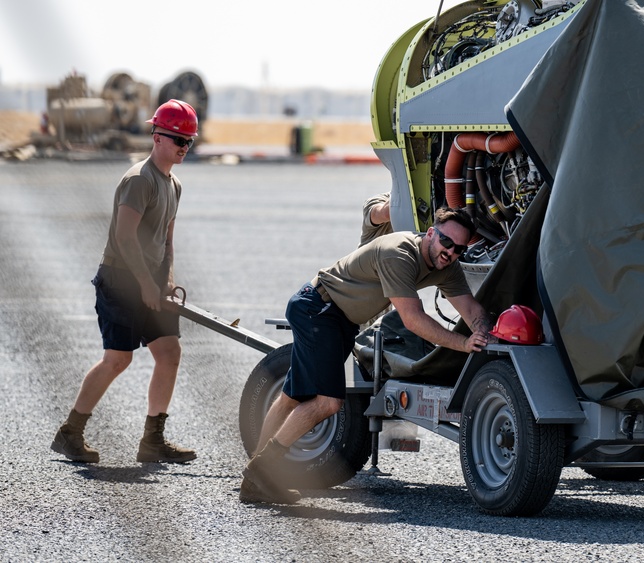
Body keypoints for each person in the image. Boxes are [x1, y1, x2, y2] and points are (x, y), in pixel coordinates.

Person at [240, 207, 490, 504]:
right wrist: (464, 344)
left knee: (292, 397)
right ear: (432, 233)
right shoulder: (399, 253)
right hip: (318, 309)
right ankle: (262, 472)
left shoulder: (446, 266)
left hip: (337, 318)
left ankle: (256, 480)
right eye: (447, 242)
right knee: (328, 403)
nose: (451, 252)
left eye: (460, 249)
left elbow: (472, 310)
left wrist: (485, 332)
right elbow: (413, 319)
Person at [51, 99, 200, 465]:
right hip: (120, 278)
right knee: (118, 359)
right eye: (177, 139)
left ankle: (153, 440)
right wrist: (145, 284)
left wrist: (164, 279)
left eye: (189, 142)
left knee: (169, 352)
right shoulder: (139, 180)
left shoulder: (174, 185)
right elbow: (124, 237)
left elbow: (166, 239)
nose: (183, 147)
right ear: (156, 136)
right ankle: (70, 432)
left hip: (149, 280)